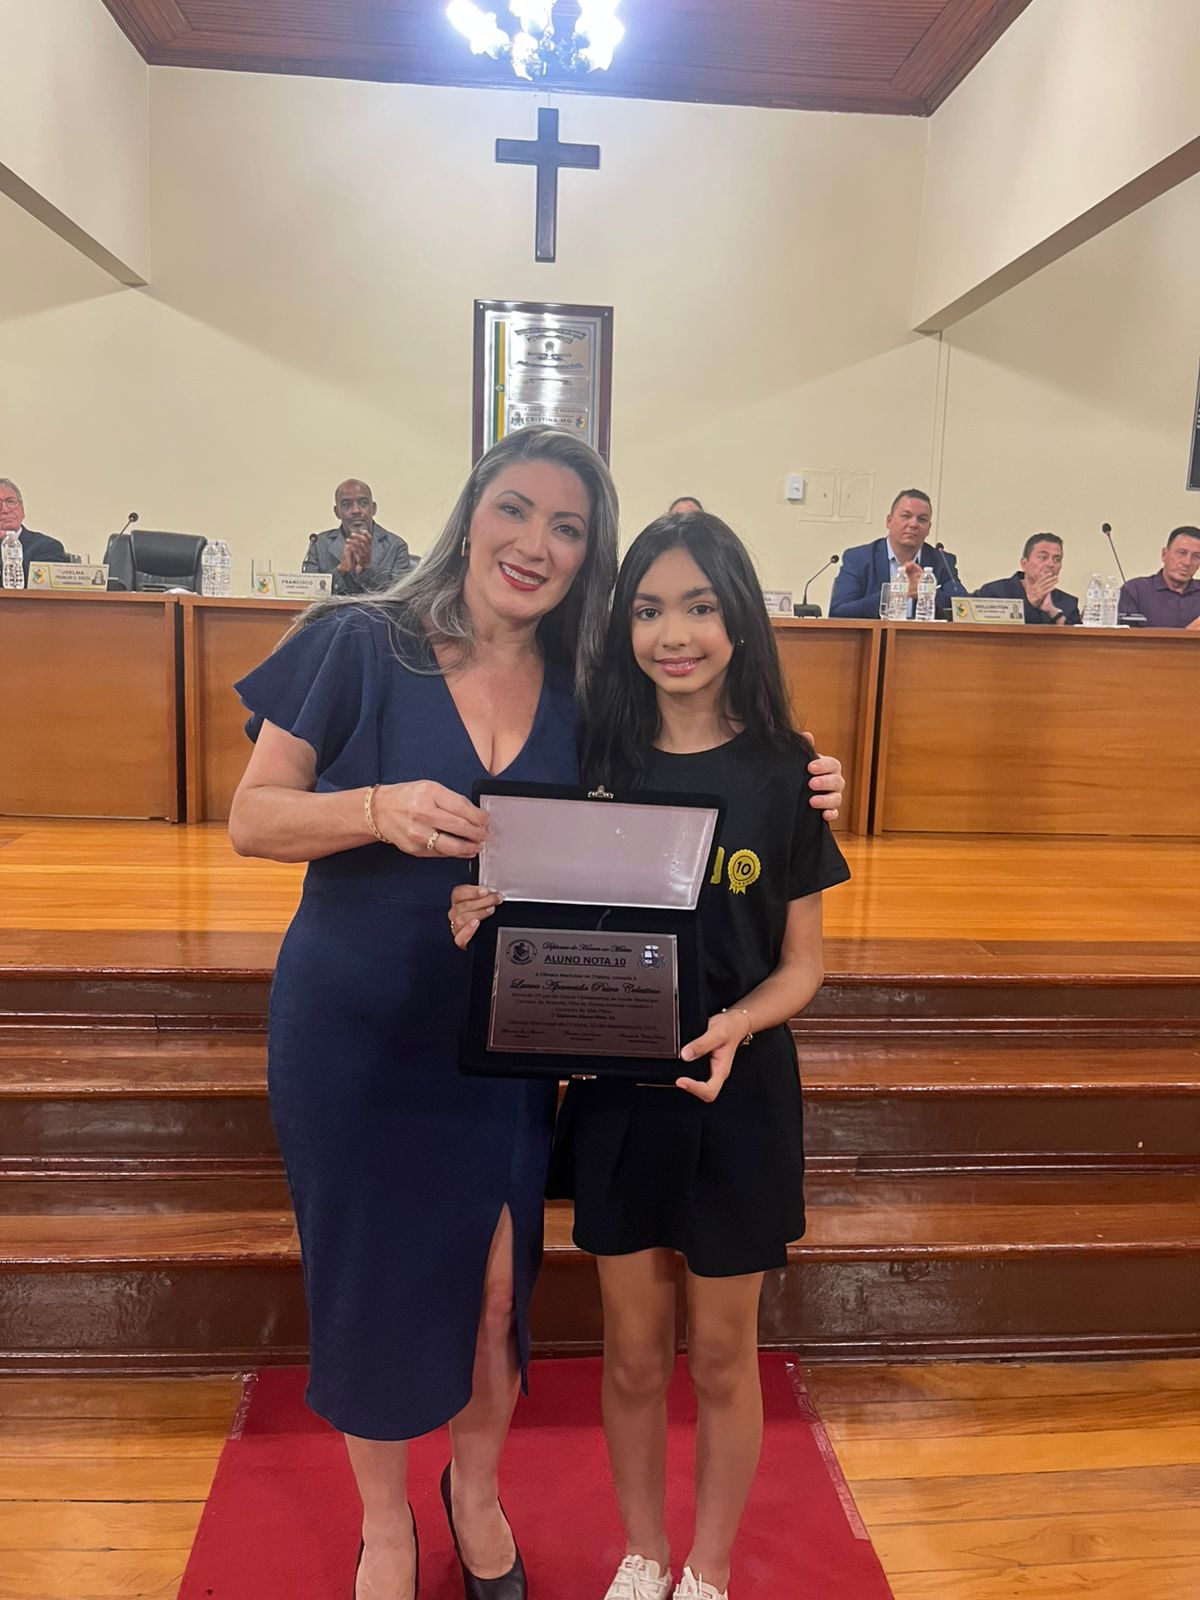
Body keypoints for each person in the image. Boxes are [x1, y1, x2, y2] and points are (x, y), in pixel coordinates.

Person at [229, 430, 847, 1600]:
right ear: (472, 511)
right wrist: (373, 808)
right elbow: (251, 819)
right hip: (357, 1026)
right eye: (515, 508)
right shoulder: (359, 640)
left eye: (568, 527)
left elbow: (706, 756)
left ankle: (475, 1496)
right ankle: (385, 1528)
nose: (535, 543)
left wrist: (807, 769)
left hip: (514, 1031)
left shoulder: (591, 692)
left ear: (588, 555)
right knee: (367, 1285)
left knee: (496, 1294)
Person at [452, 510, 850, 1600]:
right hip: (621, 1100)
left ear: (740, 621)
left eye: (700, 608)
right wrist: (489, 919)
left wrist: (738, 1025)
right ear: (622, 626)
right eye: (648, 610)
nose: (674, 634)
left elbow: (803, 966)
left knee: (722, 1353)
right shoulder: (597, 759)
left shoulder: (789, 770)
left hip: (739, 1094)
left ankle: (707, 1568)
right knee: (631, 1352)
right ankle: (643, 1551)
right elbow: (542, 912)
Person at [829, 488, 964, 618]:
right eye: (906, 516)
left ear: (929, 528)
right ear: (889, 521)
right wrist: (891, 594)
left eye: (922, 519)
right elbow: (838, 612)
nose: (913, 524)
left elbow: (965, 610)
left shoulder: (942, 562)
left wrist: (927, 591)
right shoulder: (859, 559)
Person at [303, 478, 413, 595]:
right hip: (333, 607)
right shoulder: (319, 544)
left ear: (373, 509)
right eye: (346, 505)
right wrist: (340, 570)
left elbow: (400, 597)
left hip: (376, 608)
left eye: (363, 503)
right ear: (337, 512)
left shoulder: (395, 546)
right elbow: (309, 595)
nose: (356, 510)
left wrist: (367, 571)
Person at [975, 533, 1080, 625]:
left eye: (1057, 559)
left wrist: (1053, 612)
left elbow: (1078, 637)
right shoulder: (994, 592)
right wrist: (1029, 602)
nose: (1051, 564)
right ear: (1024, 564)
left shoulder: (1068, 603)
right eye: (1043, 557)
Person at [1118, 526, 1200, 630]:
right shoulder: (1135, 590)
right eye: (1181, 553)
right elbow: (1124, 637)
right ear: (1164, 554)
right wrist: (1189, 633)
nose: (1187, 562)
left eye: (1196, 556)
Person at [0, 479, 66, 578]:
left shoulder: (47, 546)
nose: (5, 509)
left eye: (10, 501)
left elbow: (39, 584)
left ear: (22, 509)